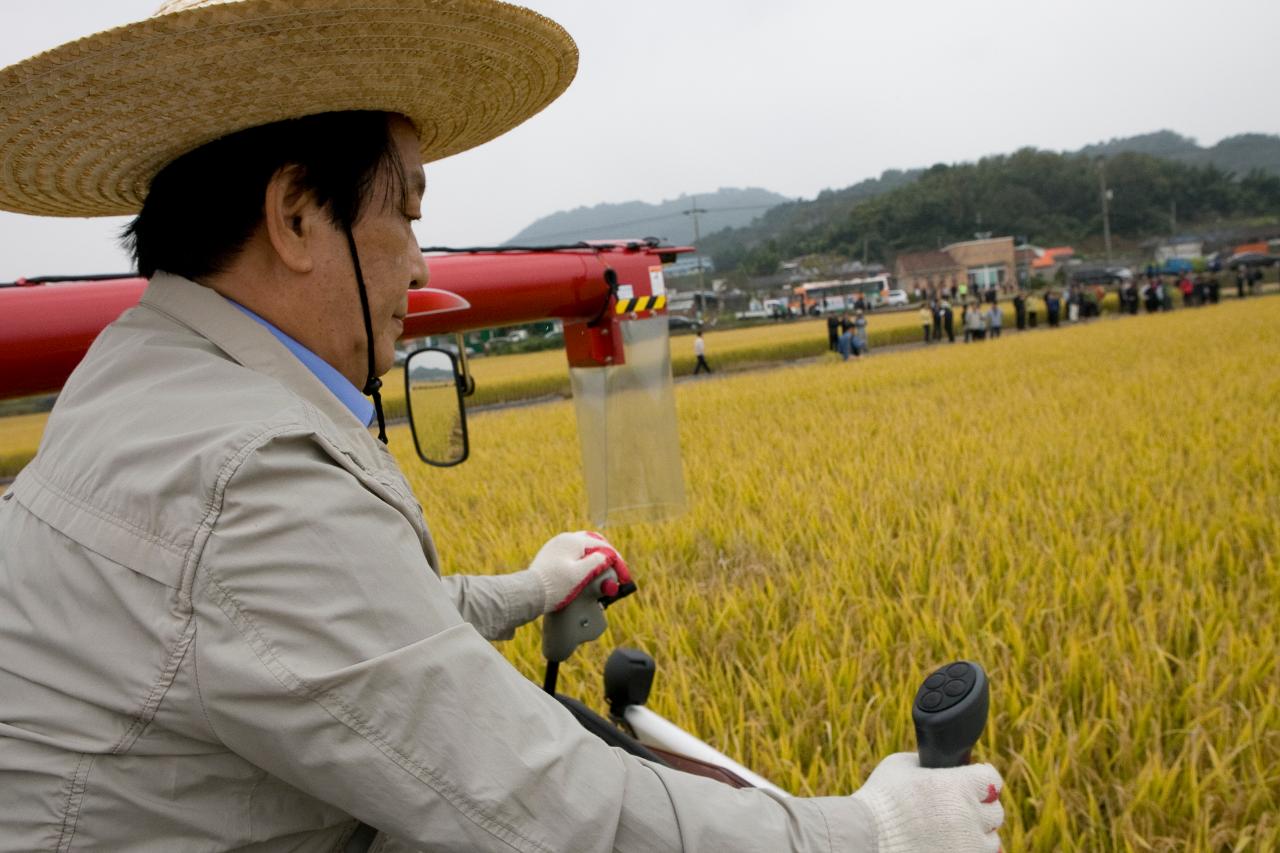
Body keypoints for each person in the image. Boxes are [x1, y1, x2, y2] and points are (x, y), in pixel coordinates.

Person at [0, 3, 1005, 850]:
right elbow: (544, 807)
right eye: (409, 214)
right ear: (299, 216)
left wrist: (528, 588)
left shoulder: (136, 377)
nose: (423, 269)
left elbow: (321, 635)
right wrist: (876, 827)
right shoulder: (247, 470)